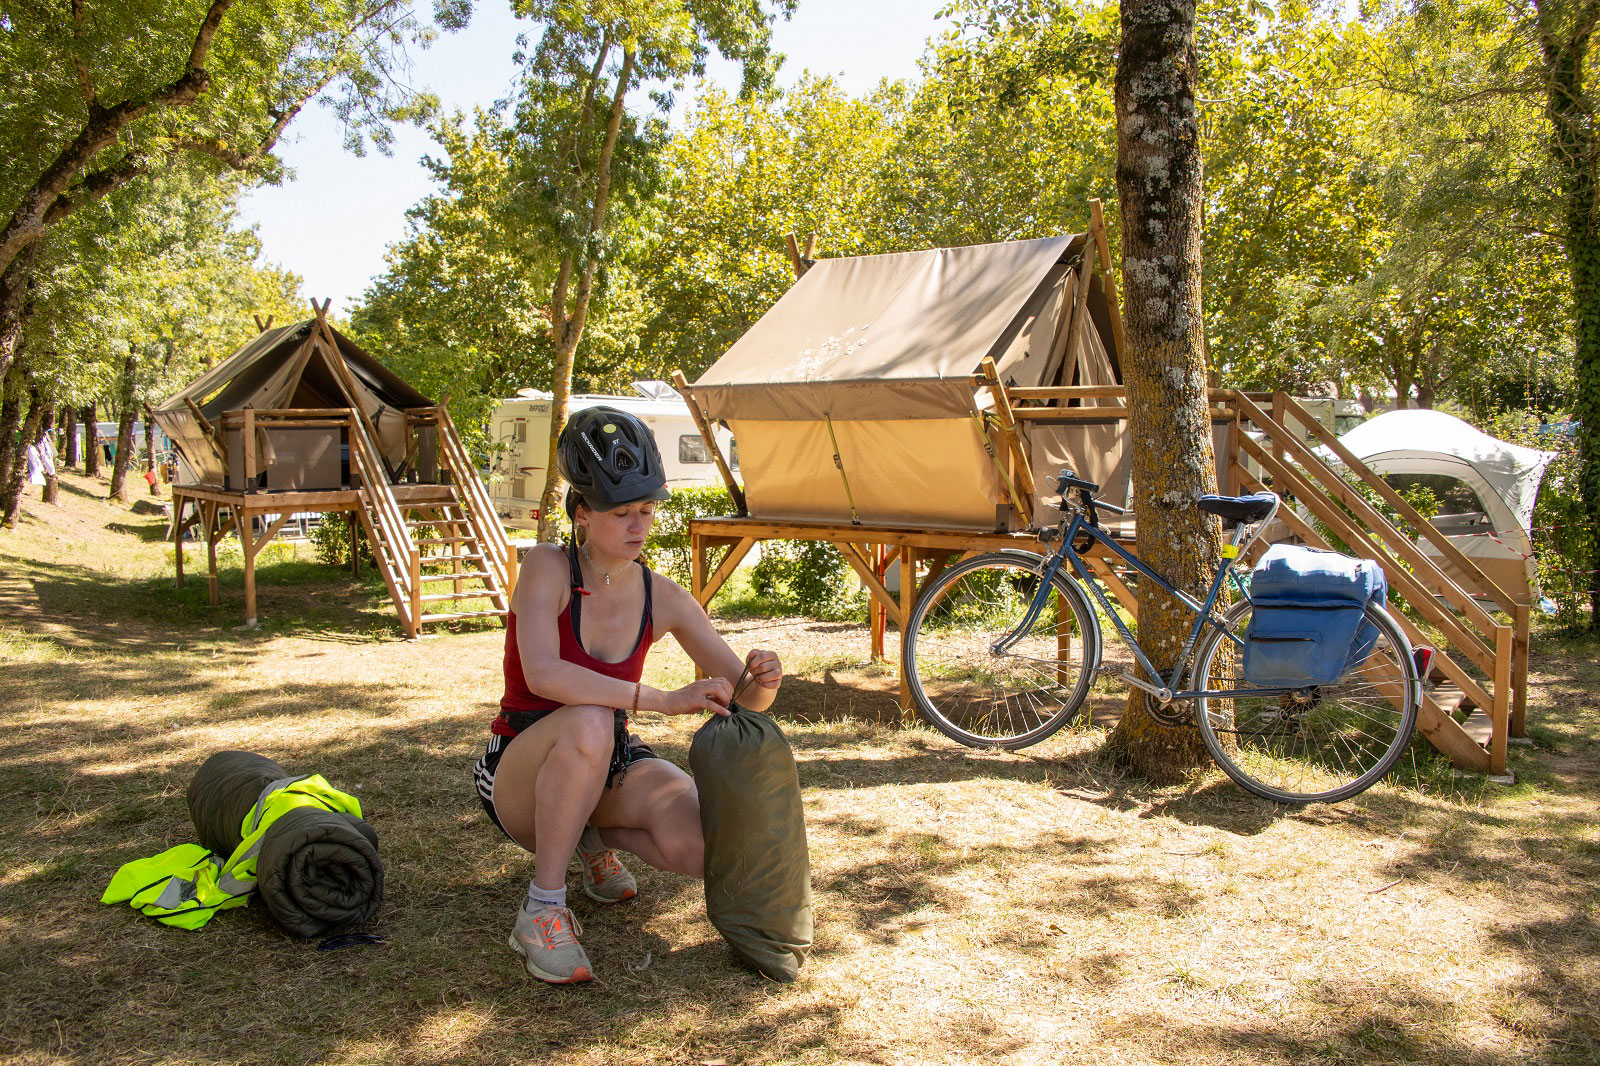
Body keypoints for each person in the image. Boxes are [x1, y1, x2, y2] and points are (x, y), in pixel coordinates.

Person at [473, 406, 782, 984]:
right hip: (519, 767)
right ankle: (542, 909)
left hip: (605, 759)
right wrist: (661, 699)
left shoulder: (662, 594)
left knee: (700, 845)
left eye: (646, 510)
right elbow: (543, 675)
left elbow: (744, 699)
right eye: (621, 513)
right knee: (590, 719)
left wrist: (763, 679)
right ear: (582, 513)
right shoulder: (546, 566)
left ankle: (589, 838)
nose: (638, 526)